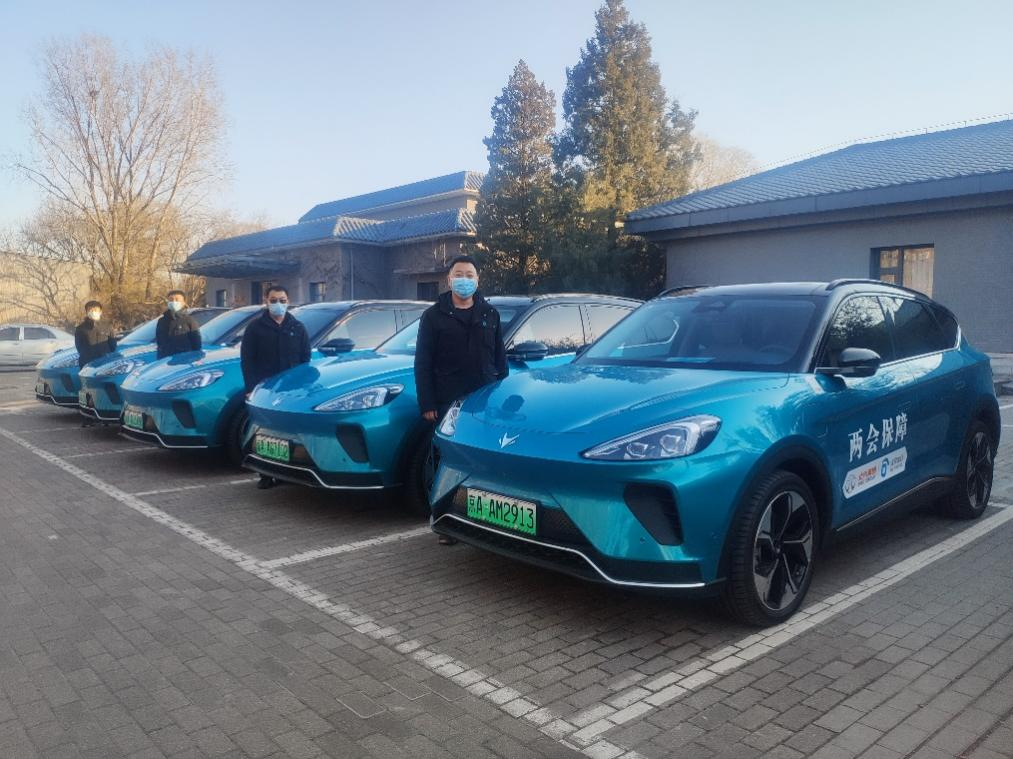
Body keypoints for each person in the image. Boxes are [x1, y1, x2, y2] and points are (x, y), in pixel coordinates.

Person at [414, 255, 508, 544]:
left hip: (483, 403)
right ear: (449, 279)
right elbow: (423, 363)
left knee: (483, 462)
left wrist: (500, 396)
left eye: (469, 275)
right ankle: (445, 522)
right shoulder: (433, 316)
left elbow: (500, 361)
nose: (464, 279)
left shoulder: (489, 314)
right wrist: (428, 403)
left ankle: (486, 520)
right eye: (459, 274)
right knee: (447, 463)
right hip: (447, 403)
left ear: (477, 280)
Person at [240, 285, 311, 489]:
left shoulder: (297, 327)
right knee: (264, 433)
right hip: (264, 390)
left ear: (288, 301)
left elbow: (305, 359)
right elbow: (247, 360)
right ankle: (265, 474)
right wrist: (251, 388)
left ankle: (286, 471)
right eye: (273, 300)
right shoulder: (255, 328)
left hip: (290, 391)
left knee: (287, 434)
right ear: (266, 301)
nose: (278, 304)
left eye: (282, 300)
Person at [74, 300, 117, 427]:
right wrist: (87, 357)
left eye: (96, 310)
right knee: (86, 391)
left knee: (102, 390)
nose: (94, 312)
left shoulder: (107, 326)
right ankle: (87, 418)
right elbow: (79, 347)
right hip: (87, 363)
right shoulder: (81, 329)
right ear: (87, 312)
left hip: (104, 363)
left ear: (101, 311)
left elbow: (113, 345)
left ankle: (104, 418)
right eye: (91, 310)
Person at [155, 290, 202, 359]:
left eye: (177, 299)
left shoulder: (189, 321)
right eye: (171, 300)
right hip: (164, 360)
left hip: (184, 360)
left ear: (183, 303)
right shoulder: (161, 321)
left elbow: (196, 343)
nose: (174, 302)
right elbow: (159, 343)